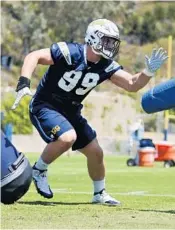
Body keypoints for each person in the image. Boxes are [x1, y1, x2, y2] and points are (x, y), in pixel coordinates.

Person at [12, 18, 168, 205]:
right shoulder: (70, 52)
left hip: (71, 111)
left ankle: (99, 193)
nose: (110, 46)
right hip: (45, 105)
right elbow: (33, 56)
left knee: (96, 152)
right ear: (94, 38)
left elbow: (132, 84)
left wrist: (148, 72)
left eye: (112, 42)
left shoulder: (105, 65)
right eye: (107, 40)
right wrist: (23, 82)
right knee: (67, 137)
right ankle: (39, 169)